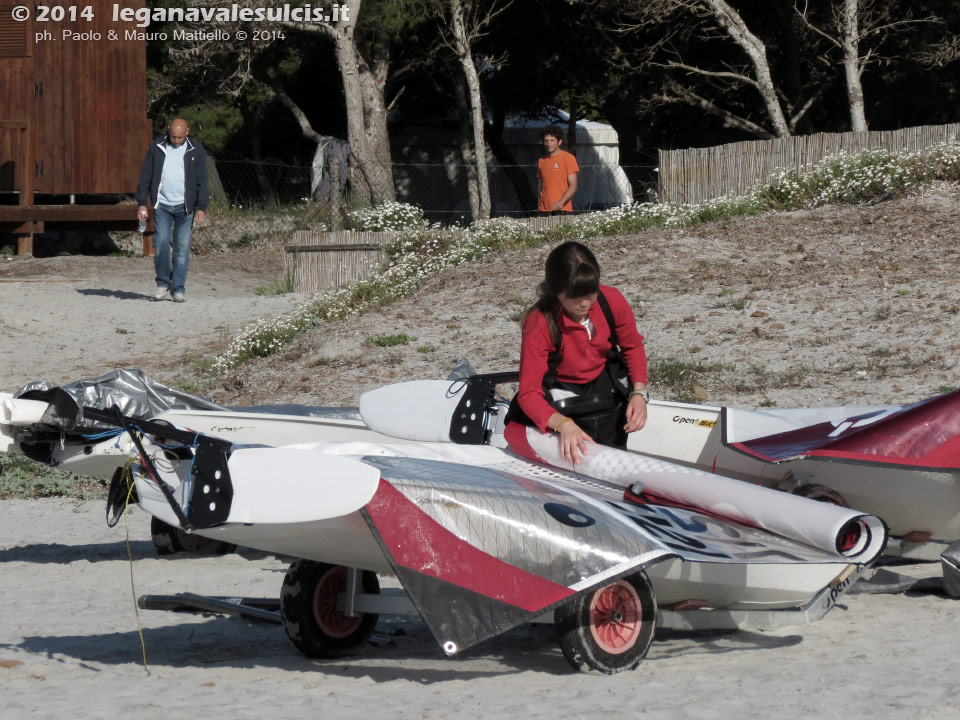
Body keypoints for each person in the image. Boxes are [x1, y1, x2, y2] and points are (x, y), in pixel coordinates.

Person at [510, 241, 648, 464]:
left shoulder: (611, 300)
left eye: (590, 292)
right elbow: (528, 393)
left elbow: (632, 347)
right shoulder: (539, 322)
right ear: (556, 291)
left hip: (603, 388)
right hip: (560, 393)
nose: (585, 302)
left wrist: (639, 394)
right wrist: (563, 425)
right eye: (575, 295)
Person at [136, 118, 209, 303]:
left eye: (180, 137)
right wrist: (142, 202)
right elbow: (146, 175)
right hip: (163, 205)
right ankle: (162, 282)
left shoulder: (196, 149)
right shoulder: (156, 147)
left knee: (182, 249)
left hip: (186, 207)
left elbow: (202, 180)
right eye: (173, 137)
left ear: (187, 132)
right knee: (160, 244)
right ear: (168, 131)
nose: (176, 141)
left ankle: (178, 288)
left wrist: (201, 207)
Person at [537, 125, 579, 214]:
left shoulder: (568, 158)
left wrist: (561, 202)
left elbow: (573, 186)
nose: (549, 144)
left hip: (562, 209)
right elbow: (542, 187)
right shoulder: (541, 161)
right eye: (546, 141)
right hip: (543, 210)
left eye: (552, 140)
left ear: (559, 142)